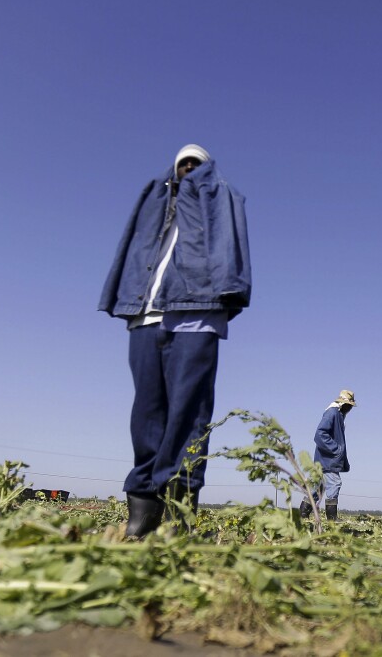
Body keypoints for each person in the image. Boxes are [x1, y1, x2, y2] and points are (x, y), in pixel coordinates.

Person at [98, 144, 251, 539]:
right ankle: (144, 507)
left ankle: (180, 511)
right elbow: (131, 249)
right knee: (147, 412)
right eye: (183, 162)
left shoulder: (219, 197)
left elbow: (231, 246)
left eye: (197, 163)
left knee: (189, 414)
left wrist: (228, 297)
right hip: (146, 313)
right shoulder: (154, 198)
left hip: (197, 313)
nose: (188, 168)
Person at [302, 388, 356, 521]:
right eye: (349, 406)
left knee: (317, 487)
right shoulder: (332, 413)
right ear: (344, 404)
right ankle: (332, 519)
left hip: (324, 459)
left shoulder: (337, 415)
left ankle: (302, 515)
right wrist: (336, 449)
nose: (350, 409)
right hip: (328, 460)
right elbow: (320, 435)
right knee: (334, 483)